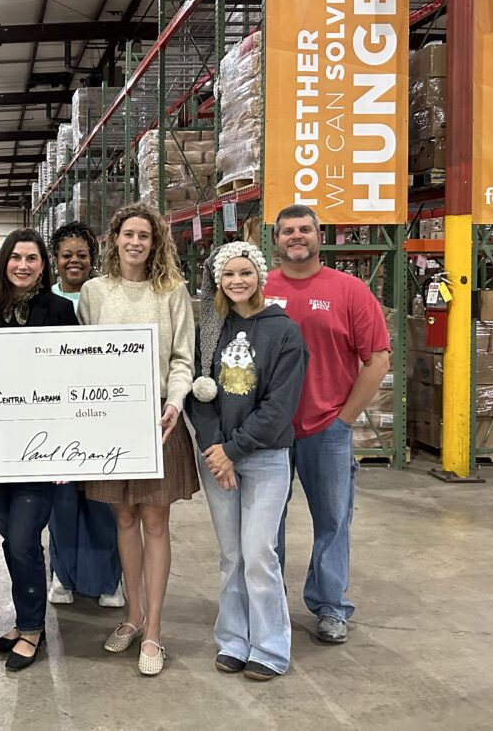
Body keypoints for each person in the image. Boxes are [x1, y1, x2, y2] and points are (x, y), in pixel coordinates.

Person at [78, 202, 198, 677]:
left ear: (155, 243)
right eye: (128, 233)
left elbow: (183, 358)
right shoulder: (93, 292)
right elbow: (83, 356)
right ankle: (132, 616)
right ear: (114, 239)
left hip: (158, 423)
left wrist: (174, 403)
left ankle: (154, 632)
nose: (135, 242)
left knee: (155, 520)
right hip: (110, 424)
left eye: (144, 236)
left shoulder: (172, 291)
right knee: (123, 519)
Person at [264, 205, 392, 645]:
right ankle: (269, 603)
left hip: (325, 429)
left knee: (333, 521)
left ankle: (330, 606)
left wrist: (344, 420)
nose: (295, 237)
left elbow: (377, 358)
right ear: (275, 239)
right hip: (269, 433)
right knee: (265, 524)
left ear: (320, 236)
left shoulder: (350, 291)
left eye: (304, 230)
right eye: (287, 231)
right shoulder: (257, 288)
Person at [186, 241, 308, 682]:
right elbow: (200, 395)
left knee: (260, 554)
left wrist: (233, 451)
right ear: (218, 281)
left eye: (245, 272)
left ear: (260, 275)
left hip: (265, 457)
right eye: (229, 274)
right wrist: (216, 450)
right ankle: (233, 639)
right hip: (217, 458)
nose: (238, 281)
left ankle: (271, 647)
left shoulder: (284, 332)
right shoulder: (210, 330)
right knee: (232, 555)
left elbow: (280, 405)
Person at [0, 229, 79, 671]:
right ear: (4, 263)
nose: (23, 266)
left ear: (42, 264)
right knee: (10, 538)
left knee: (22, 540)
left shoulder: (59, 310)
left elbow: (75, 377)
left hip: (41, 445)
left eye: (31, 259)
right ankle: (23, 618)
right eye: (15, 258)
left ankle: (32, 628)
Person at [44, 222, 125, 609]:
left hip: (101, 411)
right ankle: (63, 575)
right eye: (66, 255)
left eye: (82, 255)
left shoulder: (106, 296)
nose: (74, 261)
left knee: (103, 498)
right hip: (57, 416)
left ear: (93, 259)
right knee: (62, 498)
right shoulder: (44, 300)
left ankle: (109, 579)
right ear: (55, 261)